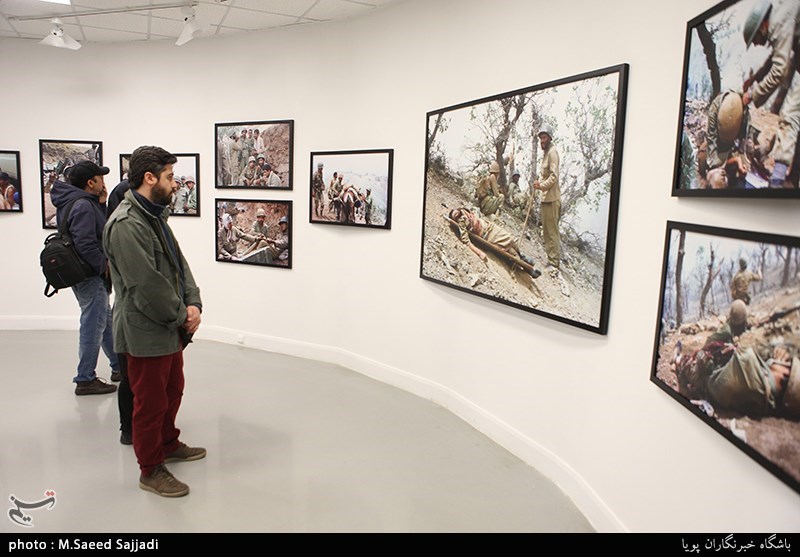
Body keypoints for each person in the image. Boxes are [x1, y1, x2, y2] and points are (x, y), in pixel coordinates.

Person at [103, 145, 205, 497]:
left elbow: (179, 264)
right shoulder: (126, 224)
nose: (174, 183)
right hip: (144, 329)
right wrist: (182, 316)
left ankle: (168, 442)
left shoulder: (155, 215)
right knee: (149, 402)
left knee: (172, 389)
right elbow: (145, 284)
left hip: (168, 325)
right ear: (150, 178)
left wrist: (194, 301)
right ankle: (151, 469)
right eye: (170, 177)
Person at [50, 161, 120, 396]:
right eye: (100, 178)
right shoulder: (82, 205)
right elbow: (86, 243)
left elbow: (90, 232)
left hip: (83, 272)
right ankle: (85, 378)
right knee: (94, 323)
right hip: (89, 274)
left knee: (104, 319)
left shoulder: (79, 201)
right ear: (91, 183)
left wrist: (100, 205)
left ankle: (119, 366)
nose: (104, 182)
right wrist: (105, 266)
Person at [675, 300, 800, 419]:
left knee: (691, 365)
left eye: (788, 364)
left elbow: (745, 354)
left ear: (785, 376)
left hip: (706, 381)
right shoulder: (767, 400)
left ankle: (678, 359)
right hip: (718, 377)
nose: (785, 360)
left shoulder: (747, 361)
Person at [741, 0, 800, 188]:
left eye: (756, 39)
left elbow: (779, 70)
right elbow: (775, 57)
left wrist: (752, 95)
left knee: (790, 114)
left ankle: (777, 182)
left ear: (762, 26)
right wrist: (755, 78)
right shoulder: (781, 16)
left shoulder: (779, 21)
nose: (758, 44)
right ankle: (792, 177)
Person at [107, 179, 134, 446]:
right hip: (129, 315)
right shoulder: (121, 229)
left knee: (131, 377)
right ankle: (129, 429)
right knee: (130, 378)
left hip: (127, 313)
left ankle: (131, 428)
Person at [448, 207, 541, 278]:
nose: (455, 214)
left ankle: (522, 256)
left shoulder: (465, 210)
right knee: (510, 253)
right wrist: (479, 252)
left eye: (455, 211)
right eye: (454, 216)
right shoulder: (462, 222)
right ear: (455, 219)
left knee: (511, 239)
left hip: (491, 227)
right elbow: (466, 241)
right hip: (488, 236)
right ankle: (529, 270)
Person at [699, 91, 750, 189]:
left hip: (729, 154)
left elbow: (741, 149)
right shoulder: (706, 151)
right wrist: (735, 161)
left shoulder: (742, 117)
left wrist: (739, 162)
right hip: (713, 163)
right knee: (717, 179)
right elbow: (714, 163)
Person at [533, 127, 562, 276]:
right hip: (546, 199)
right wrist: (539, 182)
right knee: (547, 231)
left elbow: (553, 177)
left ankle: (554, 264)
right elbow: (546, 175)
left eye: (544, 138)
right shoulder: (546, 153)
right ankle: (551, 259)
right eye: (540, 138)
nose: (542, 141)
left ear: (550, 138)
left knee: (552, 232)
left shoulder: (552, 152)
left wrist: (541, 186)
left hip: (552, 199)